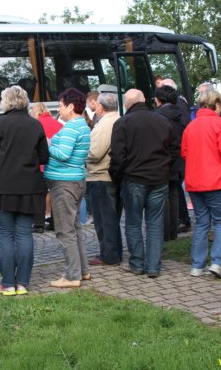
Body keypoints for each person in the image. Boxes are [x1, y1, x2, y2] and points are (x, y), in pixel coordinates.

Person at [0, 86, 49, 295]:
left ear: (6, 102)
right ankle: (23, 283)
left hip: (2, 188)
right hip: (29, 188)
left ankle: (7, 283)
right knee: (24, 235)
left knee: (5, 235)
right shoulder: (35, 124)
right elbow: (44, 157)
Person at [109, 89, 176, 278]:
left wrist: (117, 177)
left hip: (134, 179)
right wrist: (165, 169)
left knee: (133, 222)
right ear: (144, 100)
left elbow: (117, 156)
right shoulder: (163, 121)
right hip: (159, 178)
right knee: (155, 223)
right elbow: (174, 149)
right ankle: (154, 266)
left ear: (126, 104)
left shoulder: (123, 123)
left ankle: (137, 263)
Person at [181, 89, 221, 279]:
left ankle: (197, 265)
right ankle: (217, 263)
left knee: (201, 223)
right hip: (216, 180)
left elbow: (184, 153)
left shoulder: (190, 127)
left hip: (194, 181)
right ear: (217, 104)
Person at [44, 88, 91, 288]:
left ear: (71, 107)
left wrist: (46, 144)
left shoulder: (72, 127)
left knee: (65, 231)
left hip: (64, 184)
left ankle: (72, 276)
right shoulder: (82, 125)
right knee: (75, 228)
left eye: (61, 106)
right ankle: (83, 270)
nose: (59, 110)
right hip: (75, 180)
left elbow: (63, 154)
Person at [86, 92, 122, 266]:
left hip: (100, 175)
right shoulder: (119, 118)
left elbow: (95, 152)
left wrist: (82, 155)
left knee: (104, 219)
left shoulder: (105, 124)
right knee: (111, 217)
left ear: (100, 107)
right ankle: (114, 251)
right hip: (111, 175)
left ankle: (109, 254)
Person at [153, 86, 185, 242]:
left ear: (158, 100)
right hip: (178, 159)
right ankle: (173, 232)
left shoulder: (157, 116)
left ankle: (165, 234)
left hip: (163, 160)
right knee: (174, 194)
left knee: (163, 197)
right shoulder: (181, 113)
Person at [30, 102, 63, 232]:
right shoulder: (59, 125)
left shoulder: (35, 125)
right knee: (55, 194)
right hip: (56, 165)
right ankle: (55, 223)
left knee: (39, 195)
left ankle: (39, 224)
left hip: (40, 166)